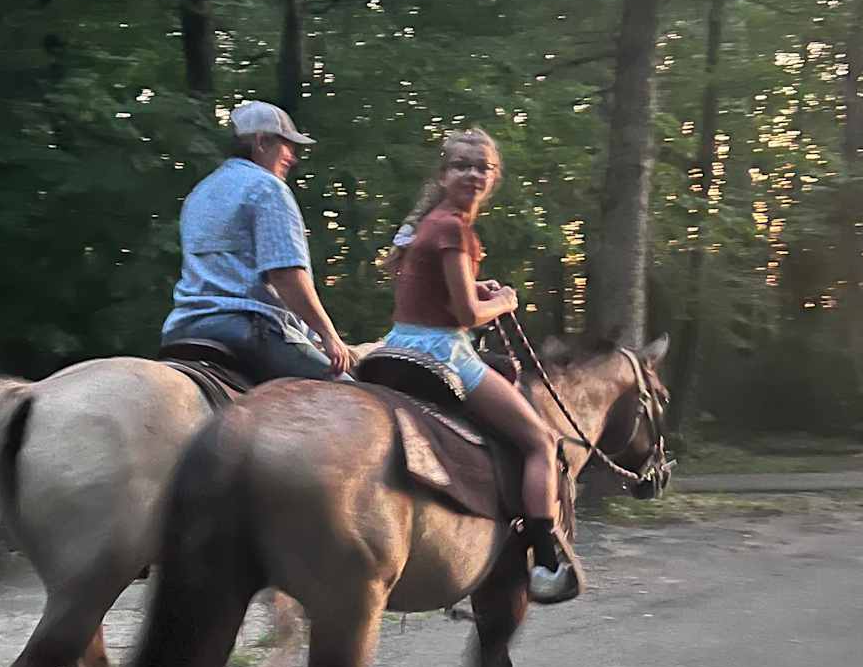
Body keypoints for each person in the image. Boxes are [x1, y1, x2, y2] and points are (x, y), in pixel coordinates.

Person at [382, 127, 580, 604]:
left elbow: (424, 283)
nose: (472, 174)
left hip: (397, 343)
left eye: (482, 167)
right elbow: (468, 316)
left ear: (494, 177)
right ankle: (545, 558)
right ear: (444, 173)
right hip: (439, 352)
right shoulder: (453, 227)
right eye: (462, 166)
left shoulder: (429, 222)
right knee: (540, 441)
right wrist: (505, 300)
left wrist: (475, 285)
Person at [162, 100, 354, 380]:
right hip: (245, 329)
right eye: (288, 145)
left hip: (183, 330)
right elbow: (285, 275)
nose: (293, 157)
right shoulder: (267, 187)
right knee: (354, 400)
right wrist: (328, 335)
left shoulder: (199, 193)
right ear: (262, 142)